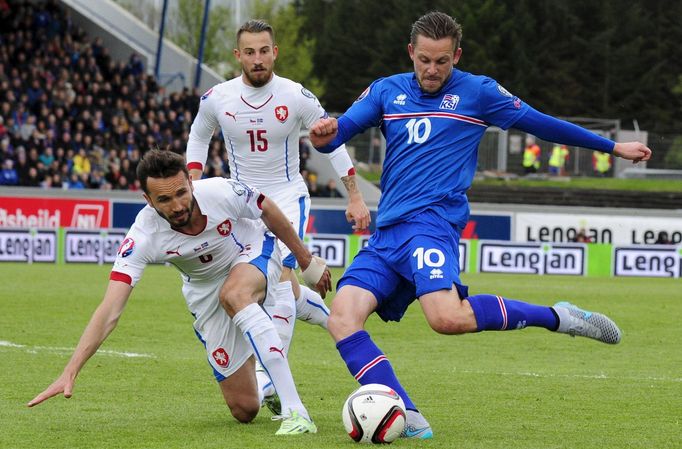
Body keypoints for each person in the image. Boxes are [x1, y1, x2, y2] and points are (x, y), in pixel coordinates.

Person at [309, 11, 652, 440]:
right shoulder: (386, 91)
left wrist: (612, 146)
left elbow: (542, 124)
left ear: (457, 56)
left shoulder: (479, 93)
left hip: (431, 226)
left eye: (442, 61)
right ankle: (407, 414)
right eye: (424, 60)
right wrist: (324, 133)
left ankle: (558, 317)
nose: (432, 70)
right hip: (387, 233)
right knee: (342, 317)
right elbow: (335, 136)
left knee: (446, 318)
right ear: (411, 53)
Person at [27, 149, 328, 435]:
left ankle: (295, 411)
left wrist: (304, 258)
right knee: (244, 408)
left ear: (190, 182)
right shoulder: (143, 236)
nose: (178, 205)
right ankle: (279, 347)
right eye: (165, 199)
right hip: (204, 290)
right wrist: (71, 370)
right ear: (148, 200)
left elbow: (266, 209)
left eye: (182, 193)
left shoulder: (222, 191)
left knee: (235, 295)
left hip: (250, 249)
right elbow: (110, 310)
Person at [185, 19, 370, 390]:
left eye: (264, 51)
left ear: (275, 52)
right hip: (239, 203)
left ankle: (269, 380)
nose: (258, 59)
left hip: (286, 197)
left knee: (281, 278)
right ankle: (331, 318)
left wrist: (354, 194)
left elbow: (330, 141)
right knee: (268, 285)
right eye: (250, 52)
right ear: (238, 55)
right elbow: (198, 136)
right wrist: (193, 183)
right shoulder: (217, 98)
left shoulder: (295, 96)